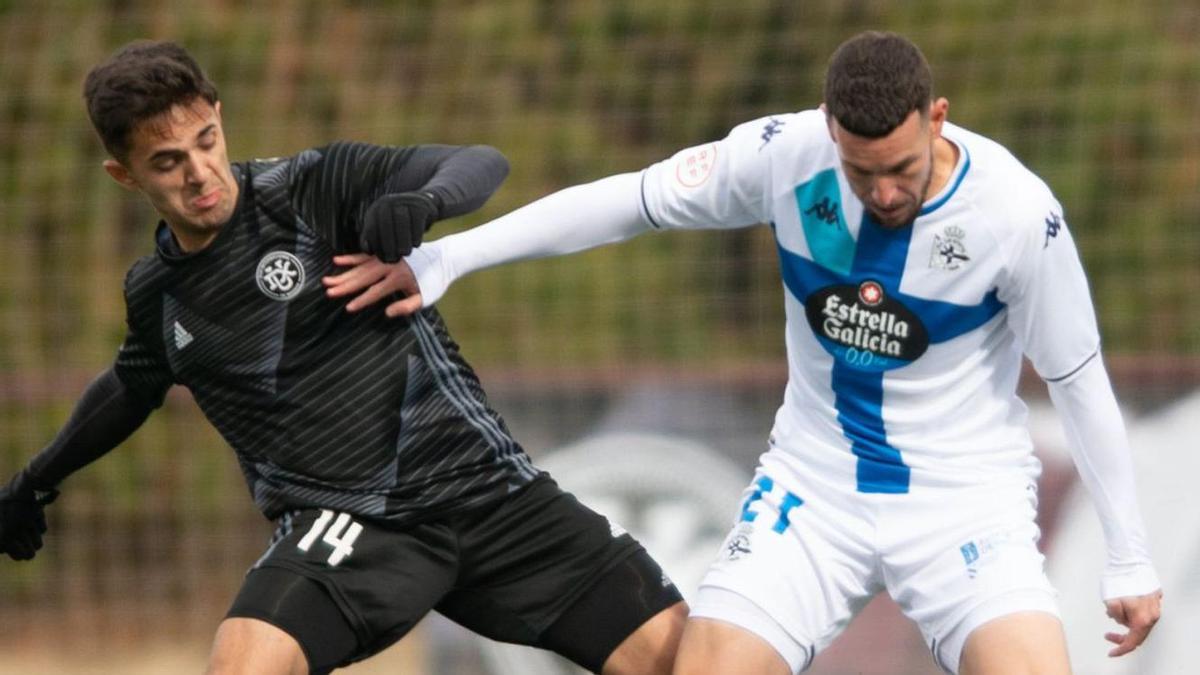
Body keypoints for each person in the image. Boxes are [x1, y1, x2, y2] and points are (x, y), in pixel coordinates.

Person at [348, 30, 1164, 674]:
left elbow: (1079, 379)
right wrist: (452, 256)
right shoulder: (786, 154)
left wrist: (1128, 553)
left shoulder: (1017, 214)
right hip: (813, 489)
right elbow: (626, 201)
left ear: (938, 117)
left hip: (963, 498)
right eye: (859, 170)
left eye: (901, 170)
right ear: (829, 128)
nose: (881, 193)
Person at [0, 40, 686, 675]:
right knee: (243, 661)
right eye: (167, 161)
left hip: (491, 495)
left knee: (687, 659)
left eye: (205, 141)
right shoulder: (158, 294)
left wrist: (426, 200)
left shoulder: (311, 190)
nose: (200, 172)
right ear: (124, 175)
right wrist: (35, 479)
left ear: (218, 116)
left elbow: (480, 162)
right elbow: (130, 386)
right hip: (354, 525)